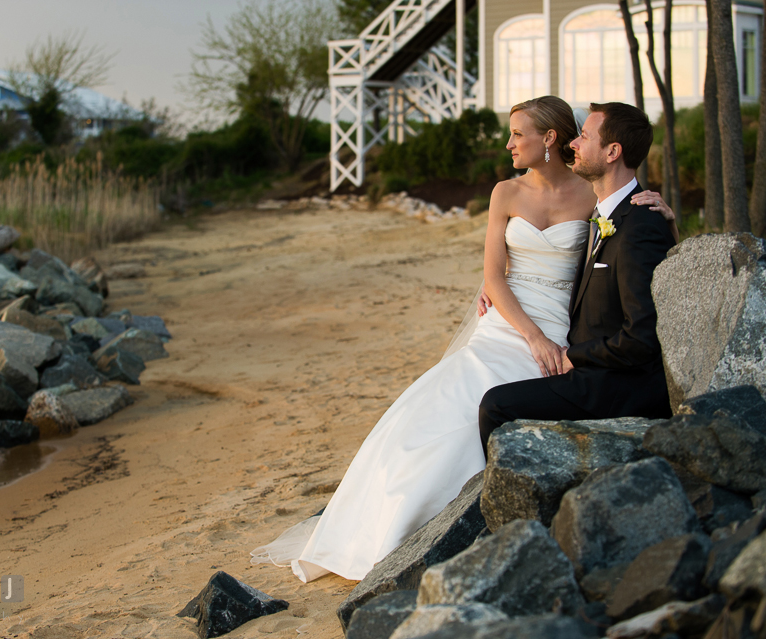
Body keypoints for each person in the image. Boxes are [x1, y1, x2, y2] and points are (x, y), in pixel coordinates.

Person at [251, 97, 675, 583]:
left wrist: (663, 211)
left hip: (565, 327)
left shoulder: (593, 194)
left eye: (518, 134)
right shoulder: (505, 193)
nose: (509, 143)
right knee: (439, 409)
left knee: (507, 402)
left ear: (550, 139)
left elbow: (622, 243)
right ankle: (401, 530)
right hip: (511, 322)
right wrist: (527, 330)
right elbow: (494, 276)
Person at [478, 102, 677, 455]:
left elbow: (642, 335)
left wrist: (575, 357)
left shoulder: (639, 221)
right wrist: (493, 283)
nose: (574, 144)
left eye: (584, 137)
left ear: (613, 151)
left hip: (605, 377)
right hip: (568, 345)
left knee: (496, 404)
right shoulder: (606, 210)